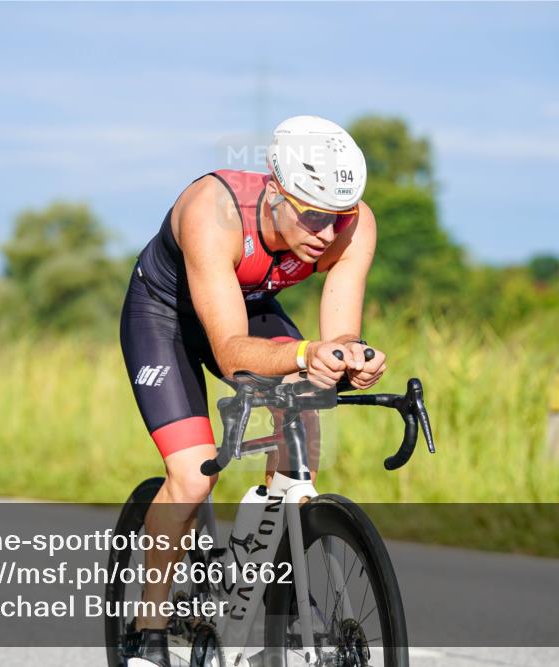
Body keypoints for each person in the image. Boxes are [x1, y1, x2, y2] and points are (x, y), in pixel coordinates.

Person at [119, 115, 386, 666]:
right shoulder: (211, 213)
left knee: (304, 413)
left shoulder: (353, 226)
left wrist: (349, 356)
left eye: (338, 218)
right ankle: (147, 630)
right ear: (274, 189)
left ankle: (261, 569)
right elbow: (231, 351)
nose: (326, 232)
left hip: (251, 308)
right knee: (192, 477)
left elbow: (337, 335)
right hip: (165, 318)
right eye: (312, 214)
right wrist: (304, 353)